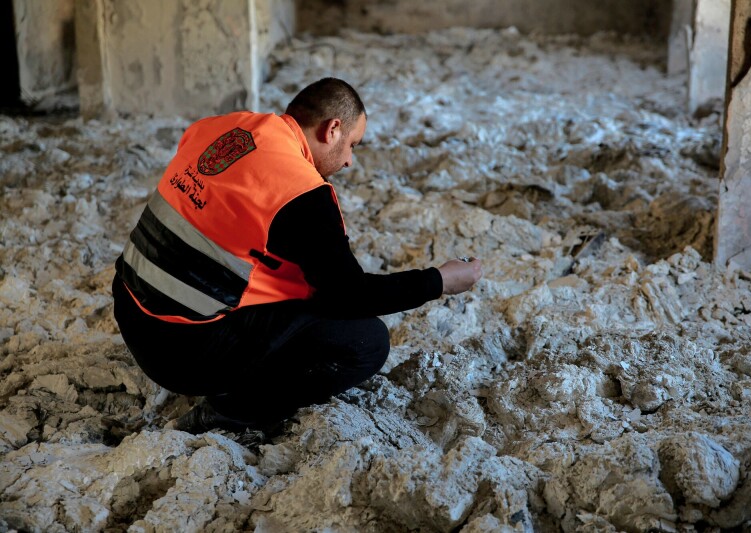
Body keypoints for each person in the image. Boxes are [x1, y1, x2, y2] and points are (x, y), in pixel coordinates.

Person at [112, 77, 482, 434]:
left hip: (129, 308)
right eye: (354, 144)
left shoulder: (220, 126)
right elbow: (351, 296)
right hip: (181, 356)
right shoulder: (301, 192)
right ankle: (230, 414)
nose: (350, 161)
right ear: (332, 129)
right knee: (366, 342)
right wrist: (439, 280)